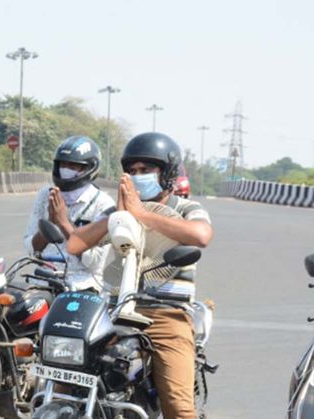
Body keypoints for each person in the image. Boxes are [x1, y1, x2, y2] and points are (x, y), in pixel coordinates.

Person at [66, 132, 214, 419]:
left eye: (146, 170)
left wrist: (142, 215)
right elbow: (75, 244)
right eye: (132, 172)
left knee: (179, 408)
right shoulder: (119, 211)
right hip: (113, 313)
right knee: (71, 377)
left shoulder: (185, 208)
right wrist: (118, 217)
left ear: (167, 174)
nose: (137, 176)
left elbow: (201, 235)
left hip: (166, 317)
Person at [23, 135, 115, 290]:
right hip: (43, 280)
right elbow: (33, 250)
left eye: (73, 166)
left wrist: (63, 222)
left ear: (89, 169)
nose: (66, 170)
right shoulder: (46, 195)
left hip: (82, 285)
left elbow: (95, 263)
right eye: (63, 165)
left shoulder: (104, 204)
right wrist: (50, 224)